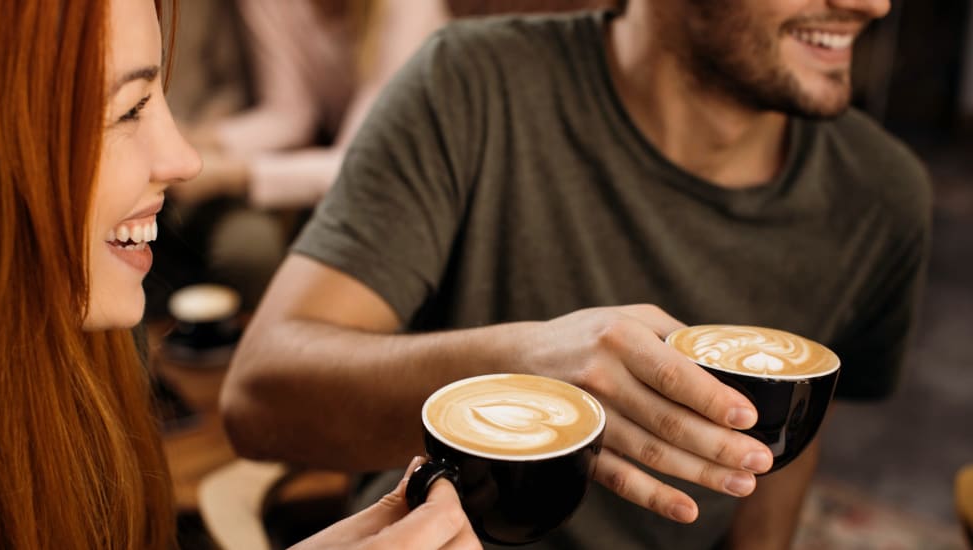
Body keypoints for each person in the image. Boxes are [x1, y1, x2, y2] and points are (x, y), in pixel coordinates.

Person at [221, 0, 932, 548]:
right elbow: (257, 401)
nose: (874, 5)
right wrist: (521, 363)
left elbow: (780, 450)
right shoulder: (469, 85)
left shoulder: (881, 194)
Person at [0, 1, 479, 549]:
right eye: (128, 110)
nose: (182, 159)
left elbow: (357, 157)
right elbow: (289, 116)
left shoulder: (69, 393)